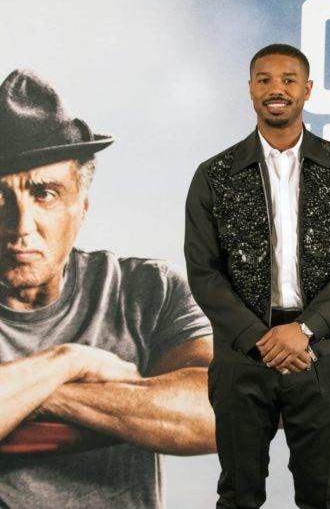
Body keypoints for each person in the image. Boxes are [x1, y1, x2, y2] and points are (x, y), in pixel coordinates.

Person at [0, 69, 215, 508]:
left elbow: (223, 412)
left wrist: (38, 394)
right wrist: (68, 361)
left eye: (45, 194)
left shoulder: (146, 291)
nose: (21, 227)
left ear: (81, 207)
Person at [185, 43, 330, 509]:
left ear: (307, 90)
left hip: (321, 353)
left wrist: (304, 330)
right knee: (237, 496)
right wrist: (259, 338)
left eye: (288, 80)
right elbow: (203, 271)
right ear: (250, 89)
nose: (277, 89)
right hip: (241, 355)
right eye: (265, 79)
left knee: (321, 496)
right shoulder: (214, 174)